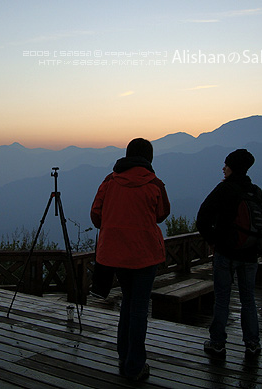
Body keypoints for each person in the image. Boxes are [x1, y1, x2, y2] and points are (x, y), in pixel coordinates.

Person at [90, 138, 170, 381]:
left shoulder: (109, 181)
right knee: (138, 308)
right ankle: (135, 366)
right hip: (145, 255)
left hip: (115, 255)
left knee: (128, 302)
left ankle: (124, 356)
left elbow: (96, 214)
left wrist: (114, 227)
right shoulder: (155, 183)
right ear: (150, 158)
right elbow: (162, 214)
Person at [196, 149, 262, 358]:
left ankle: (217, 343)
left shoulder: (224, 189)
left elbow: (202, 218)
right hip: (250, 255)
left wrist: (214, 240)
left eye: (225, 165)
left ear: (233, 167)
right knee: (248, 300)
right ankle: (252, 343)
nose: (223, 168)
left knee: (222, 299)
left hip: (225, 253)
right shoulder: (255, 191)